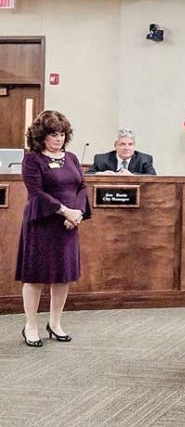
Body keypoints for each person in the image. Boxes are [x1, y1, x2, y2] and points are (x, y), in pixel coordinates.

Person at [15, 110, 91, 347]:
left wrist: (76, 212)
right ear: (41, 136)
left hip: (68, 226)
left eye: (62, 134)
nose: (59, 139)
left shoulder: (72, 158)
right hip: (42, 223)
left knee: (62, 277)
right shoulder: (32, 159)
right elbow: (36, 193)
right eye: (53, 135)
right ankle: (31, 325)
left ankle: (55, 323)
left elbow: (82, 186)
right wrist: (64, 211)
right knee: (36, 277)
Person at [87, 128, 156, 175]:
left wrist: (132, 176)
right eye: (122, 144)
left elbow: (152, 176)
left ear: (134, 146)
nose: (126, 148)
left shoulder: (144, 159)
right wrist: (101, 174)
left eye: (130, 144)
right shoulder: (101, 159)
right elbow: (87, 175)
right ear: (115, 146)